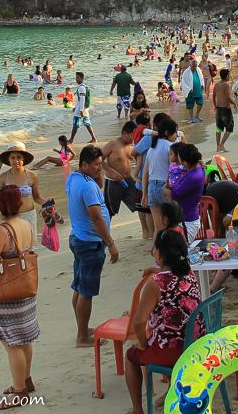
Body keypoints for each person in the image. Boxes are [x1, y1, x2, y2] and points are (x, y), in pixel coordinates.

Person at [124, 230, 202, 414]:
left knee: (131, 356)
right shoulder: (189, 273)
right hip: (195, 344)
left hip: (174, 350)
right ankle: (169, 392)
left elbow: (138, 322)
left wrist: (143, 344)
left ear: (160, 252)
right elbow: (171, 278)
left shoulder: (155, 283)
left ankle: (137, 409)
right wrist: (157, 270)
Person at [0, 184, 39, 409]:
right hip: (25, 287)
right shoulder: (25, 224)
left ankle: (19, 392)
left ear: (1, 206)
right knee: (24, 338)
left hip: (8, 293)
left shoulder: (2, 230)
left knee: (11, 342)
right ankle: (25, 380)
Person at [65, 145, 120, 347]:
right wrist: (111, 243)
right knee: (86, 292)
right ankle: (82, 337)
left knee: (79, 287)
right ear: (84, 164)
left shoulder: (74, 178)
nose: (99, 168)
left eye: (100, 164)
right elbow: (96, 216)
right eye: (96, 165)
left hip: (79, 237)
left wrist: (98, 176)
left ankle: (82, 327)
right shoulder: (87, 186)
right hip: (90, 242)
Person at [0, 142, 48, 237]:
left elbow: (37, 197)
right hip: (11, 218)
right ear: (8, 159)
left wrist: (48, 204)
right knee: (13, 248)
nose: (16, 161)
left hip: (29, 217)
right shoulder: (3, 177)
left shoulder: (32, 176)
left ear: (24, 159)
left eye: (19, 157)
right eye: (13, 158)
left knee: (28, 248)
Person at [134, 116, 180, 237]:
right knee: (171, 225)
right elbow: (173, 171)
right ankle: (168, 252)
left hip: (151, 188)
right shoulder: (170, 147)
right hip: (164, 187)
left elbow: (145, 173)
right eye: (174, 131)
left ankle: (156, 252)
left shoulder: (152, 148)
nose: (176, 135)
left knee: (158, 228)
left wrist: (144, 193)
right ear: (166, 132)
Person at [166, 142, 206, 240]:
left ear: (185, 162)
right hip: (187, 217)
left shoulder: (192, 177)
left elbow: (173, 195)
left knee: (180, 249)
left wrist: (165, 188)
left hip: (188, 220)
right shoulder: (194, 170)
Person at [69, 72, 98, 143]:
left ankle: (71, 140)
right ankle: (94, 138)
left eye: (78, 77)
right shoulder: (82, 86)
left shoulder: (82, 88)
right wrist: (75, 107)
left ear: (82, 78)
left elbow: (82, 99)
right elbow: (79, 100)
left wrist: (81, 110)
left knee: (75, 124)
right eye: (76, 77)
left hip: (82, 109)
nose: (76, 79)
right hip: (84, 108)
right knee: (87, 123)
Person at [212, 68, 235, 151]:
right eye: (229, 75)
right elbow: (227, 97)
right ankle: (221, 144)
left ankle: (218, 146)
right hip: (225, 108)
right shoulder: (226, 84)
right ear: (227, 76)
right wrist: (234, 103)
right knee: (229, 128)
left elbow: (213, 96)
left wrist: (215, 106)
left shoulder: (217, 84)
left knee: (219, 128)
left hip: (218, 108)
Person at [180, 58, 205, 124]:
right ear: (190, 65)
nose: (194, 67)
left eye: (195, 66)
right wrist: (188, 89)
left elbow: (201, 78)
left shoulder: (198, 70)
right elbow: (183, 82)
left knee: (200, 103)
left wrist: (202, 84)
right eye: (193, 66)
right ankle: (191, 118)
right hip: (190, 92)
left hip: (198, 90)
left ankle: (197, 115)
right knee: (190, 105)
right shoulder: (186, 72)